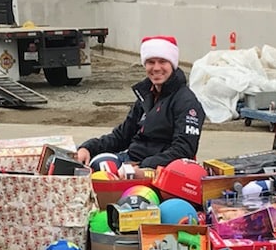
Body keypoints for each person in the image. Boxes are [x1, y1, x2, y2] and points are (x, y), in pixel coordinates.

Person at [75, 36, 205, 172]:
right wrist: (88, 147)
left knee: (102, 172)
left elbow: (183, 150)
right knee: (88, 165)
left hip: (158, 171)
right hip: (131, 160)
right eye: (150, 62)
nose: (156, 68)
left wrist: (143, 166)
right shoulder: (146, 96)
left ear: (172, 64)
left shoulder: (186, 102)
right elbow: (121, 136)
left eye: (162, 62)